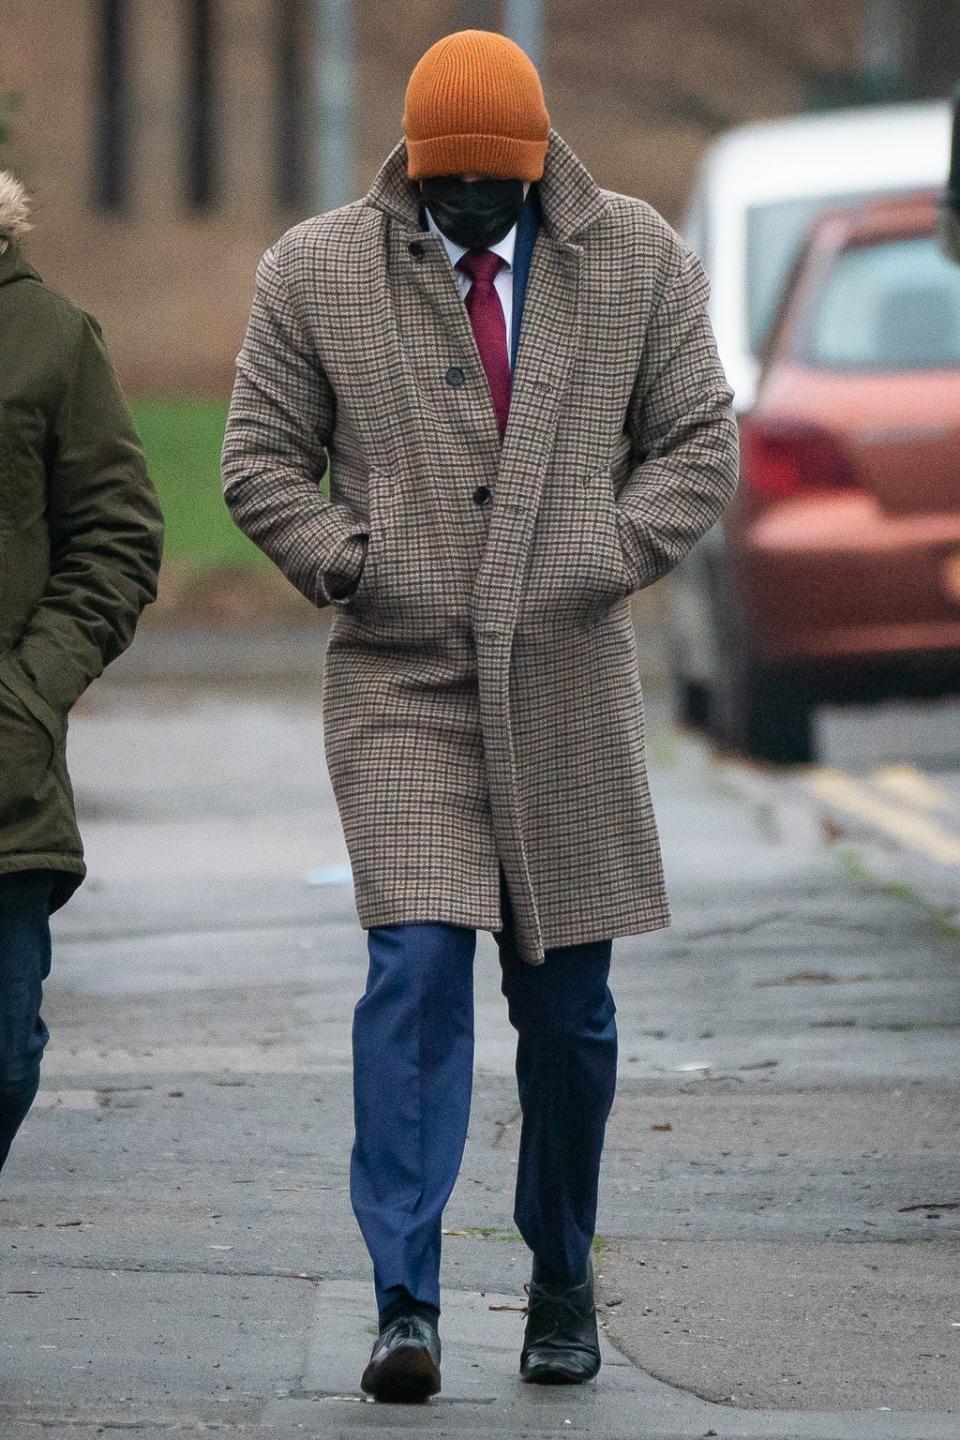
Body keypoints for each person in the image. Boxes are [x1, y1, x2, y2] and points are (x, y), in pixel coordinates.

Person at [221, 28, 738, 1402]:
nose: (468, 213)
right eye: (444, 191)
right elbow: (257, 459)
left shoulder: (632, 259)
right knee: (414, 981)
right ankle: (406, 1301)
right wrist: (350, 560)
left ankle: (562, 1275)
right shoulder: (316, 271)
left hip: (567, 682)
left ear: (532, 168)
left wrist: (605, 553)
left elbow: (699, 439)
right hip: (402, 681)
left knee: (569, 1016)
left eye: (490, 192)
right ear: (413, 171)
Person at [0, 172, 164, 1176]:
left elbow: (118, 539)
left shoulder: (52, 341)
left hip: (4, 781)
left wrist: (23, 699)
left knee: (6, 1060)